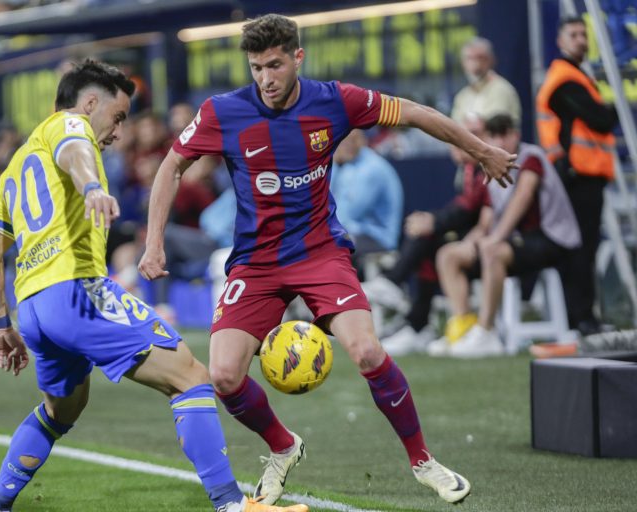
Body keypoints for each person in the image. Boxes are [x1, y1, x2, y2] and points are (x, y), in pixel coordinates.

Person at [139, 14, 517, 506]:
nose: (265, 79)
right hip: (255, 263)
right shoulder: (221, 112)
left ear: (298, 57)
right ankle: (283, 446)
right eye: (256, 68)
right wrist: (153, 243)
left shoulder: (336, 100)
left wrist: (481, 149)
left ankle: (424, 462)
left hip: (320, 253)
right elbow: (172, 164)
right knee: (225, 377)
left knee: (366, 351)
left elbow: (416, 112)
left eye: (275, 65)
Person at [0, 59, 307, 512]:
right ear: (90, 103)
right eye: (117, 117)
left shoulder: (16, 166)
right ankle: (232, 505)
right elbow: (77, 150)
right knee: (190, 378)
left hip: (31, 309)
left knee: (60, 412)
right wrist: (92, 186)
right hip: (75, 293)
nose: (118, 132)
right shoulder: (71, 126)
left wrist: (0, 326)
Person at [432, 114, 581, 358]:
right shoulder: (491, 166)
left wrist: (493, 239)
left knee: (492, 250)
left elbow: (520, 201)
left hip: (550, 239)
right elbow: (487, 218)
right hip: (515, 241)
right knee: (449, 255)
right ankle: (463, 327)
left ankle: (486, 332)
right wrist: (470, 244)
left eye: (505, 134)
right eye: (494, 135)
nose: (500, 140)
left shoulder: (530, 157)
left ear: (516, 135)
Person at [373, 115, 489, 355]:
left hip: (488, 241)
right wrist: (431, 222)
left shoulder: (486, 167)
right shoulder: (468, 168)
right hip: (472, 236)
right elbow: (464, 208)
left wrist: (433, 222)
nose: (455, 145)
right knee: (426, 238)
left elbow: (470, 210)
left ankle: (452, 324)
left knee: (430, 237)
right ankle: (418, 323)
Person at [536, 16, 619, 335]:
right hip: (575, 177)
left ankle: (582, 317)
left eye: (583, 34)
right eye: (573, 34)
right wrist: (609, 111)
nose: (580, 39)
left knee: (584, 248)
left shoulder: (577, 77)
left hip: (585, 175)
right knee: (580, 249)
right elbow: (600, 119)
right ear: (560, 41)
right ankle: (582, 318)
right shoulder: (564, 79)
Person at [331, 129, 403, 278]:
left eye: (353, 139)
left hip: (378, 237)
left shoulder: (372, 169)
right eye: (342, 140)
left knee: (331, 245)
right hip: (354, 231)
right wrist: (335, 164)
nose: (346, 144)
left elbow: (346, 214)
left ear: (363, 140)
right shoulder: (347, 164)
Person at [450, 37, 521, 127]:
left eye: (481, 58)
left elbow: (494, 128)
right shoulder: (462, 96)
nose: (476, 64)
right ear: (463, 63)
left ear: (491, 60)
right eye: (469, 58)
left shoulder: (501, 89)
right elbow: (455, 129)